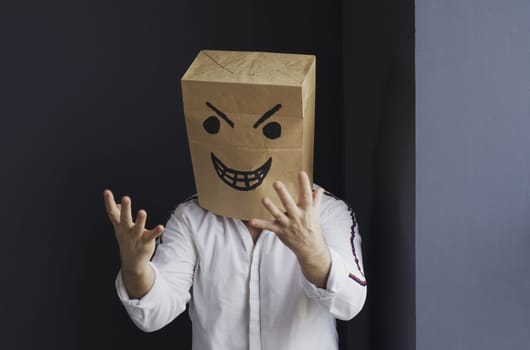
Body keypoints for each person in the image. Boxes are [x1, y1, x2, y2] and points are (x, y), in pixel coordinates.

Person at [103, 172, 367, 350]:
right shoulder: (192, 216)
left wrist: (313, 252)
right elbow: (154, 314)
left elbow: (350, 302)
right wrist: (135, 267)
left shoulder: (327, 211)